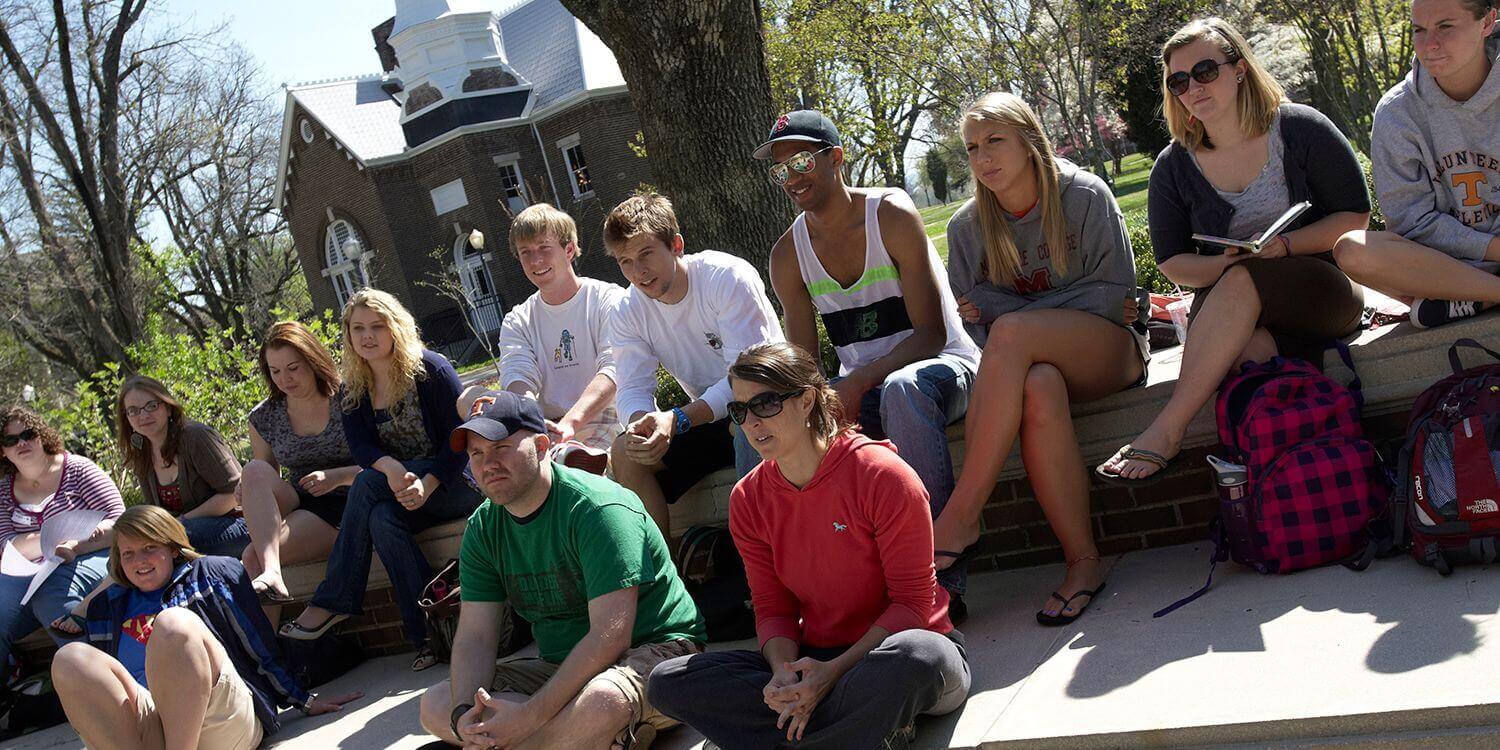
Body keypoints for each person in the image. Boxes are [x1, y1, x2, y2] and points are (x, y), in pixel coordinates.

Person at [648, 342, 970, 749]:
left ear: (806, 401)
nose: (751, 421)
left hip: (897, 651)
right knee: (669, 680)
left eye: (765, 403)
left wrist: (832, 673)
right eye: (740, 410)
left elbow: (913, 603)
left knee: (919, 657)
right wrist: (785, 675)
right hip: (812, 658)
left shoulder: (882, 475)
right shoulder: (748, 499)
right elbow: (772, 607)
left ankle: (801, 733)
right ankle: (864, 731)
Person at [1098, 17, 1371, 484]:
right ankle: (1290, 481)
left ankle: (1168, 429)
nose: (1193, 88)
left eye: (1205, 71)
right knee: (1247, 347)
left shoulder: (1300, 128)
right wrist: (1221, 263)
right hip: (1229, 299)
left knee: (1244, 282)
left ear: (1239, 69)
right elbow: (1171, 261)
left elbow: (1353, 217)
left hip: (1319, 288)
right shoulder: (1173, 166)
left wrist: (1283, 248)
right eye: (1179, 81)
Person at [927, 93, 1150, 625]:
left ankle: (959, 518)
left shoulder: (1084, 196)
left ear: (1029, 141)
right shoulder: (966, 228)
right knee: (1038, 383)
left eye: (995, 141)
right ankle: (1083, 564)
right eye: (972, 147)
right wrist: (1075, 301)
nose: (983, 158)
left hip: (1110, 351)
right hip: (1032, 365)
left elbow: (1118, 302)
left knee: (1014, 329)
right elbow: (980, 328)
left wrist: (1013, 309)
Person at [755, 110, 983, 615]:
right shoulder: (788, 255)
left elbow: (932, 334)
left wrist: (856, 380)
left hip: (946, 368)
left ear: (836, 158)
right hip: (864, 386)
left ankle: (941, 584)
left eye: (803, 160)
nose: (791, 176)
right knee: (789, 427)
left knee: (904, 390)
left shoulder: (890, 216)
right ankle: (831, 595)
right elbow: (805, 367)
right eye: (780, 169)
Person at [416, 391, 706, 749]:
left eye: (500, 447)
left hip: (656, 654)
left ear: (540, 445)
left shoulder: (598, 509)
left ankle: (576, 734)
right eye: (476, 453)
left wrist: (527, 718)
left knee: (602, 702)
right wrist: (464, 717)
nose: (487, 463)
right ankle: (589, 738)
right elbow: (476, 637)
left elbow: (610, 636)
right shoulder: (483, 528)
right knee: (438, 703)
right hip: (561, 665)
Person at [279, 289, 482, 673]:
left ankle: (335, 600)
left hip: (455, 486)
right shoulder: (355, 388)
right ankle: (429, 635)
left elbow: (461, 440)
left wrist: (428, 484)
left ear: (395, 327)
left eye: (377, 326)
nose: (367, 336)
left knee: (367, 485)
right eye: (358, 328)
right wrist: (392, 470)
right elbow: (362, 448)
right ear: (348, 335)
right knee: (380, 520)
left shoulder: (430, 370)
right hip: (402, 491)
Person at [49, 505, 359, 750]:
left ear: (172, 547)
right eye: (128, 554)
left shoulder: (213, 574)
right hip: (149, 725)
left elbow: (259, 646)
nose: (138, 561)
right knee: (70, 658)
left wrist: (302, 700)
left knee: (173, 623)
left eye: (148, 548)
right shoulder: (108, 605)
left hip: (217, 720)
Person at [605, 192, 784, 540]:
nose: (638, 273)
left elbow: (746, 379)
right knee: (625, 453)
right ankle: (664, 580)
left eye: (645, 254)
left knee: (745, 422)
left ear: (675, 244)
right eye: (624, 261)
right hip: (707, 417)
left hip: (769, 404)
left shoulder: (725, 277)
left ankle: (768, 568)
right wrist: (642, 425)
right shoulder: (627, 310)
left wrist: (678, 418)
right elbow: (631, 387)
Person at [1332, 0, 1500, 327]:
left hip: (1455, 277)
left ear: (1487, 22)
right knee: (1352, 249)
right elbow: (1412, 222)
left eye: (1445, 27)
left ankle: (1472, 301)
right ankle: (1486, 292)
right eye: (1419, 30)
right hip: (1446, 267)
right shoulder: (1396, 114)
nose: (1429, 44)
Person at [493, 202, 628, 468]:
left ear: (568, 249)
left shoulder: (608, 299)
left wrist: (570, 424)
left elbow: (614, 369)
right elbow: (518, 377)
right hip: (547, 427)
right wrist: (533, 420)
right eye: (525, 252)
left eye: (544, 247)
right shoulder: (518, 319)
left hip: (609, 418)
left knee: (578, 471)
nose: (536, 261)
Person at [239, 321, 360, 603]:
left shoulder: (349, 398)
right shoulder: (264, 417)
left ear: (312, 360)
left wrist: (336, 477)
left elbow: (384, 460)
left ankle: (267, 644)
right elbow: (268, 475)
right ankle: (272, 575)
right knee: (253, 470)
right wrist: (246, 489)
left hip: (348, 499)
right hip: (299, 499)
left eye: (293, 368)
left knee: (250, 557)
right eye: (275, 371)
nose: (285, 379)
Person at [0, 406, 124, 668]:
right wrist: (51, 540)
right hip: (29, 572)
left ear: (41, 435)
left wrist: (76, 544)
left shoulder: (77, 469)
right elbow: (6, 545)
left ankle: (100, 677)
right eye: (10, 440)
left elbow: (122, 522)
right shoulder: (3, 491)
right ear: (3, 450)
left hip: (94, 555)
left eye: (28, 434)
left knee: (50, 593)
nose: (21, 443)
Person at [117, 376, 250, 557]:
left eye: (151, 406)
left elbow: (233, 495)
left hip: (238, 525)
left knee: (165, 545)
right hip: (183, 530)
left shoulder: (195, 436)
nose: (143, 416)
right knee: (124, 554)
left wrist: (181, 522)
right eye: (133, 411)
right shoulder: (141, 451)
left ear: (168, 407)